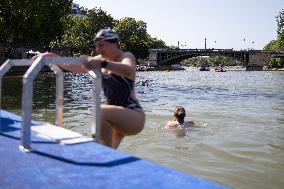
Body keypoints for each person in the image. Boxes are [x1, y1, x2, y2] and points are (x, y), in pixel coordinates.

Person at [41, 28, 145, 149]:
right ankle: (105, 160)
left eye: (102, 45)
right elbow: (77, 68)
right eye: (96, 46)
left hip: (134, 115)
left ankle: (102, 153)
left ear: (115, 43)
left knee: (99, 111)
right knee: (112, 154)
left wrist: (103, 63)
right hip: (116, 115)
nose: (98, 49)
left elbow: (128, 69)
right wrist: (52, 57)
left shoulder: (125, 56)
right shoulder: (100, 59)